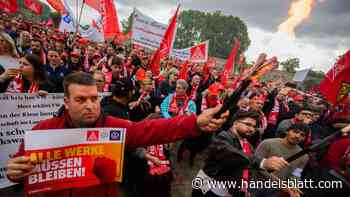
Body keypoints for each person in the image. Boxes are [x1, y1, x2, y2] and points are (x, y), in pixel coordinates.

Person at [6, 72, 228, 197]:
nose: (90, 106)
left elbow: (153, 130)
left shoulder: (114, 127)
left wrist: (196, 122)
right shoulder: (42, 132)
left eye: (94, 98)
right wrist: (15, 172)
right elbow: (21, 170)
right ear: (66, 102)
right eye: (81, 100)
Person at [192, 111, 290, 197]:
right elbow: (231, 153)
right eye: (247, 124)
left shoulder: (246, 144)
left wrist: (244, 189)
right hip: (206, 186)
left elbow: (246, 169)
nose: (251, 129)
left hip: (225, 189)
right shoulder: (223, 137)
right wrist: (263, 162)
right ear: (235, 123)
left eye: (254, 126)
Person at [252, 123, 310, 197]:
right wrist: (280, 183)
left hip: (274, 189)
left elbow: (296, 174)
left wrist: (293, 186)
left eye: (302, 135)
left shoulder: (303, 156)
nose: (297, 136)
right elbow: (255, 165)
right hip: (256, 183)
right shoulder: (268, 143)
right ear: (287, 131)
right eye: (295, 132)